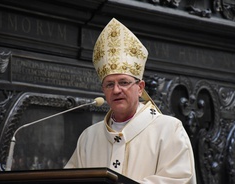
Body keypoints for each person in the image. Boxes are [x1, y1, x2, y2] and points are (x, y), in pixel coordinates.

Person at [65, 18, 196, 184]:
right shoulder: (89, 137)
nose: (116, 90)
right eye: (109, 84)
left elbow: (178, 179)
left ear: (140, 87)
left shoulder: (169, 130)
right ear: (103, 90)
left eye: (124, 82)